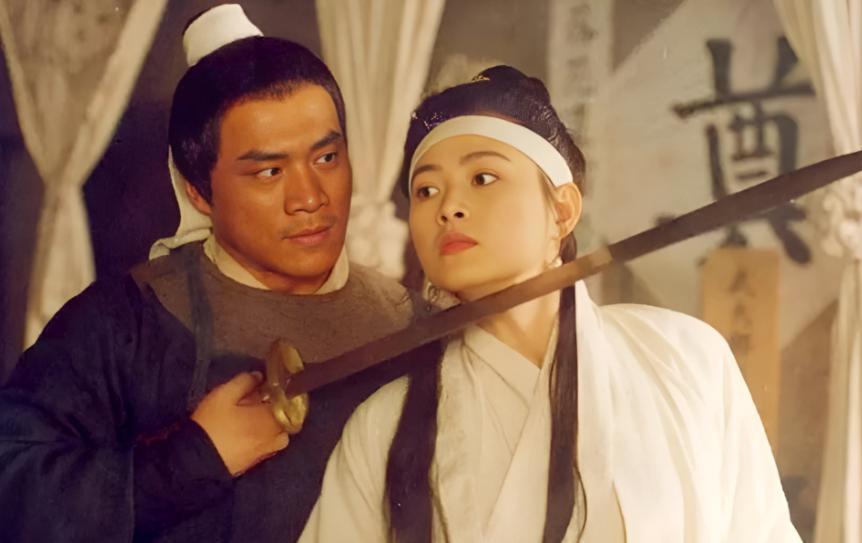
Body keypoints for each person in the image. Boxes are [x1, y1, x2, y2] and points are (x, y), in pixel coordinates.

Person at [299, 66, 801, 542]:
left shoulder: (683, 355)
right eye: (426, 190)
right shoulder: (383, 426)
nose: (448, 207)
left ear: (561, 210)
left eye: (483, 178)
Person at [0, 5, 423, 542]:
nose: (310, 198)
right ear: (199, 192)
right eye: (269, 171)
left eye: (326, 158)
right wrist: (194, 458)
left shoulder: (412, 325)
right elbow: (12, 488)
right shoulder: (125, 322)